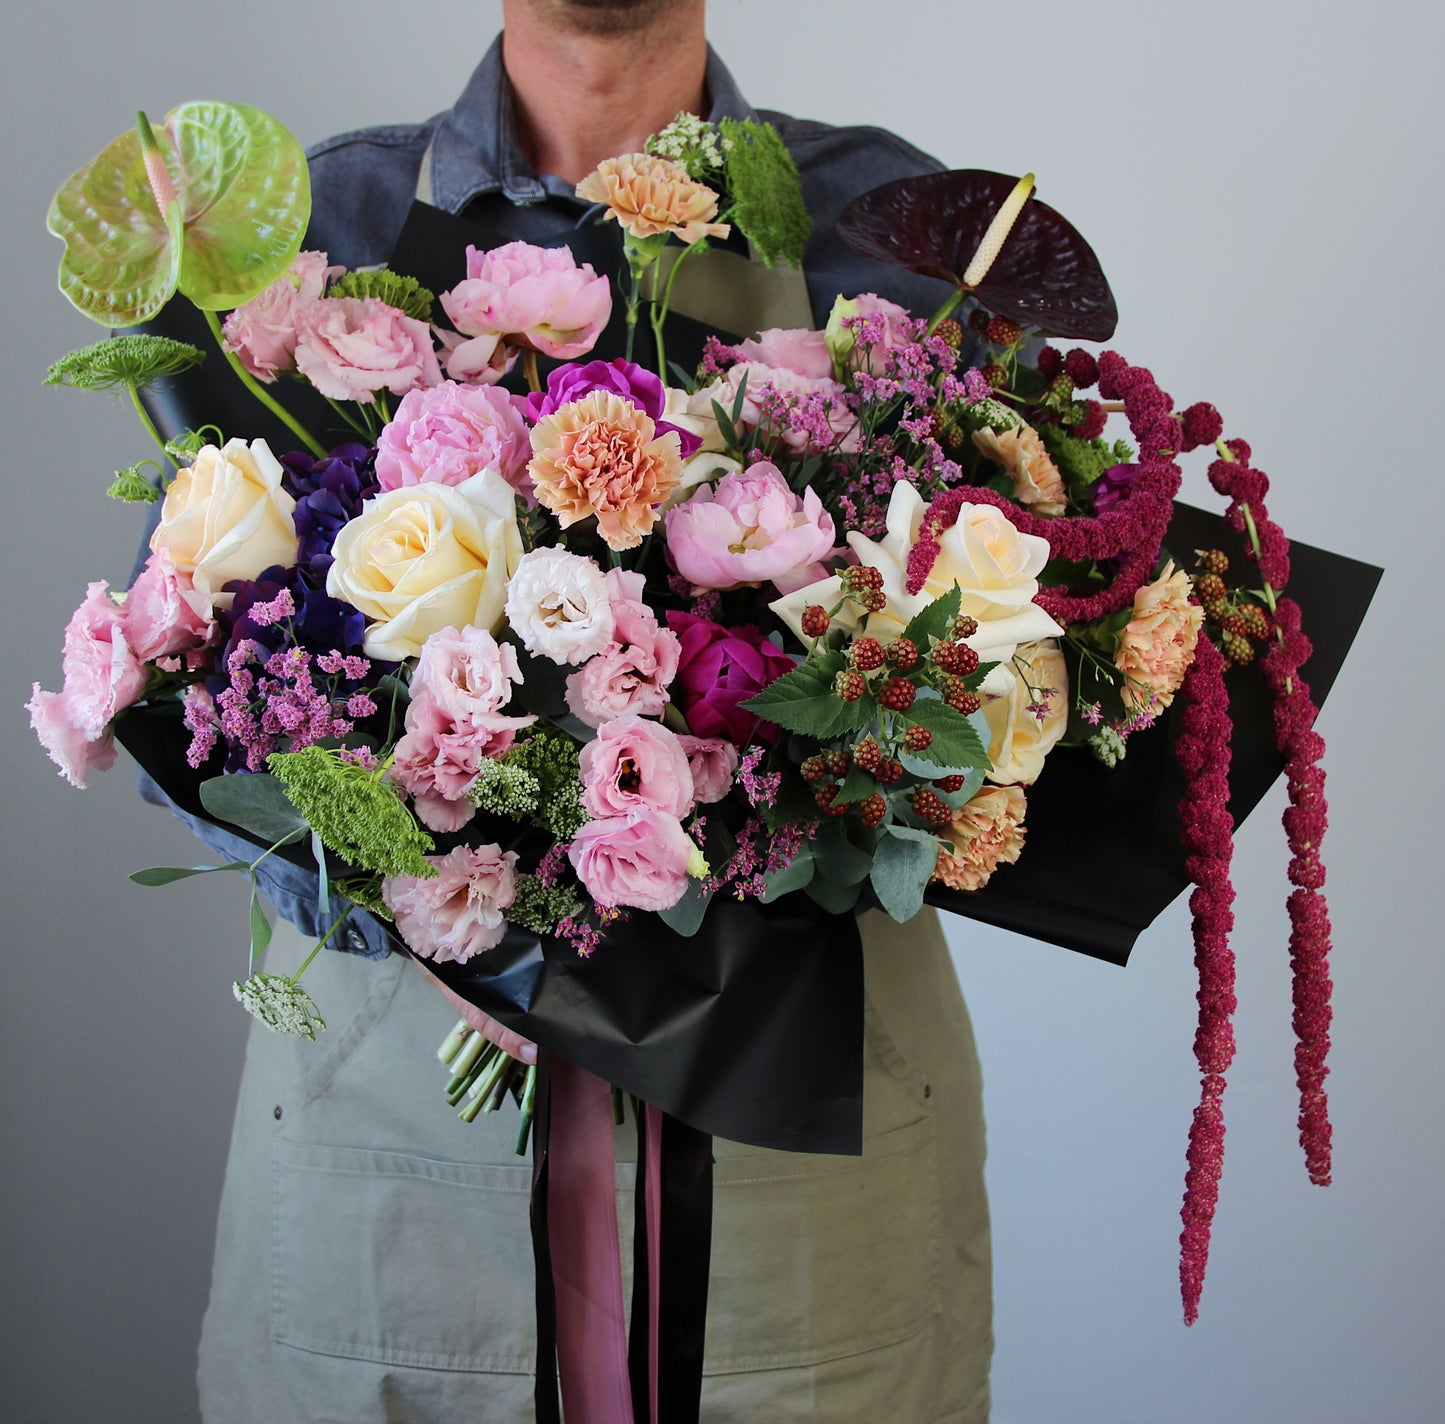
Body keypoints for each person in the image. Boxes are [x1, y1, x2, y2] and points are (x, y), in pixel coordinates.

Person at [189, 2, 993, 1419]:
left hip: (803, 1158)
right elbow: (180, 692)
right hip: (394, 1126)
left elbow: (1016, 696)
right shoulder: (316, 234)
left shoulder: (908, 237)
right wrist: (455, 883)